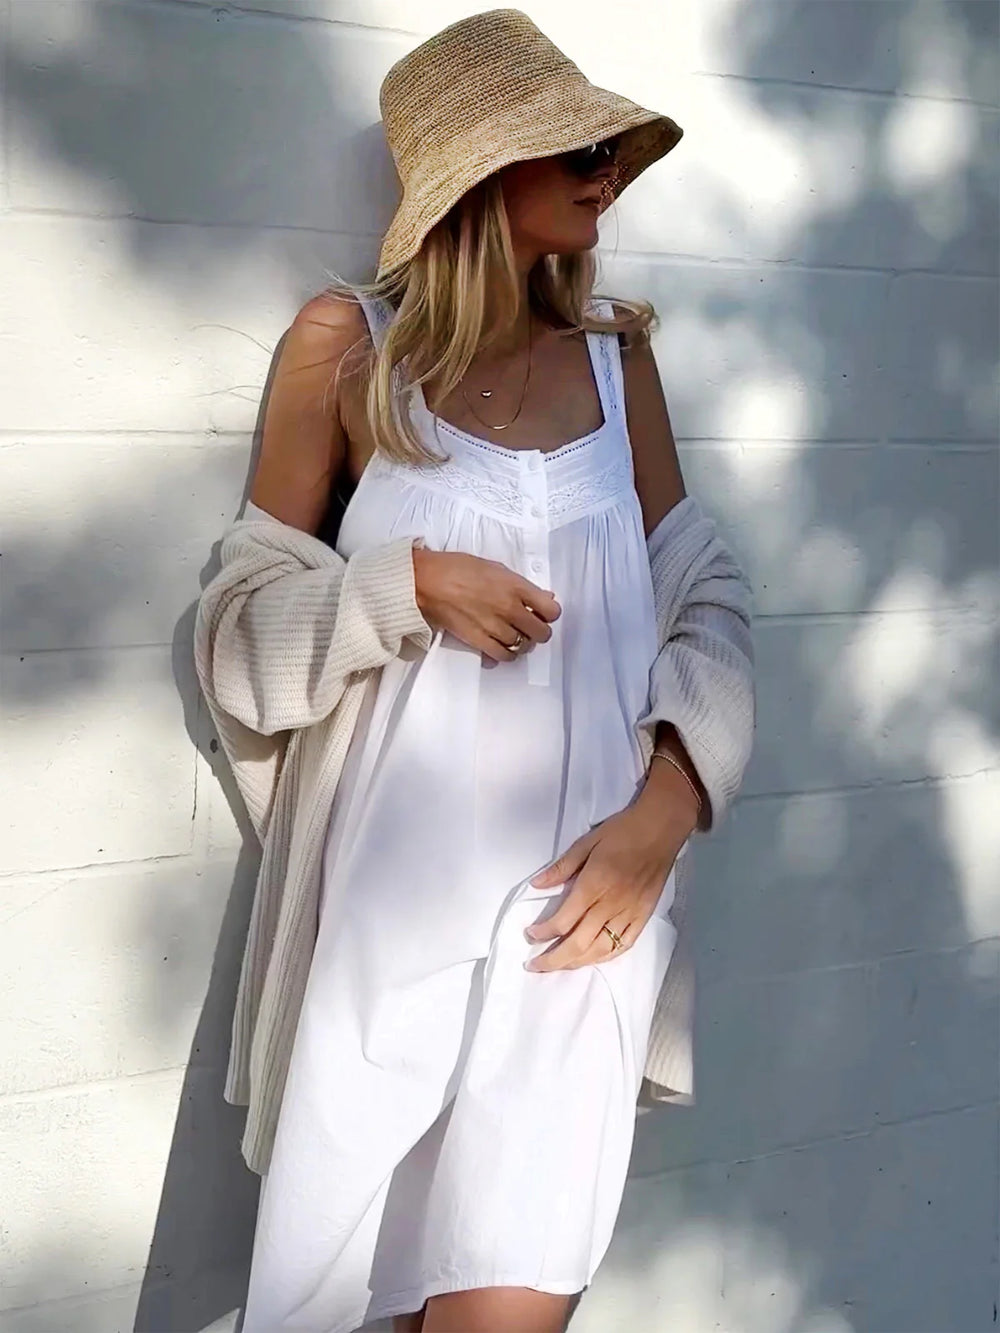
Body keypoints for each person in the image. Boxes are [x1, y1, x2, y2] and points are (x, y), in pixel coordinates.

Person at [194, 10, 755, 1333]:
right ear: (475, 172)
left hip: (577, 928)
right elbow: (240, 630)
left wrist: (665, 816)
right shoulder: (350, 353)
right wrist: (405, 584)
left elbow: (712, 606)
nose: (609, 165)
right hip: (384, 933)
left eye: (614, 141)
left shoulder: (622, 362)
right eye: (576, 142)